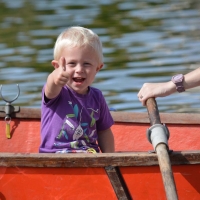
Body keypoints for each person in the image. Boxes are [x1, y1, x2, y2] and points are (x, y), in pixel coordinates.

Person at [39, 26, 115, 153]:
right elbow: (51, 86)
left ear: (97, 68)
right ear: (57, 66)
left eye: (87, 64)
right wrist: (54, 77)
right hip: (54, 158)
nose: (79, 69)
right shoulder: (57, 92)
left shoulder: (97, 97)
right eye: (72, 63)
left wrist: (111, 160)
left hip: (89, 157)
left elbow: (104, 131)